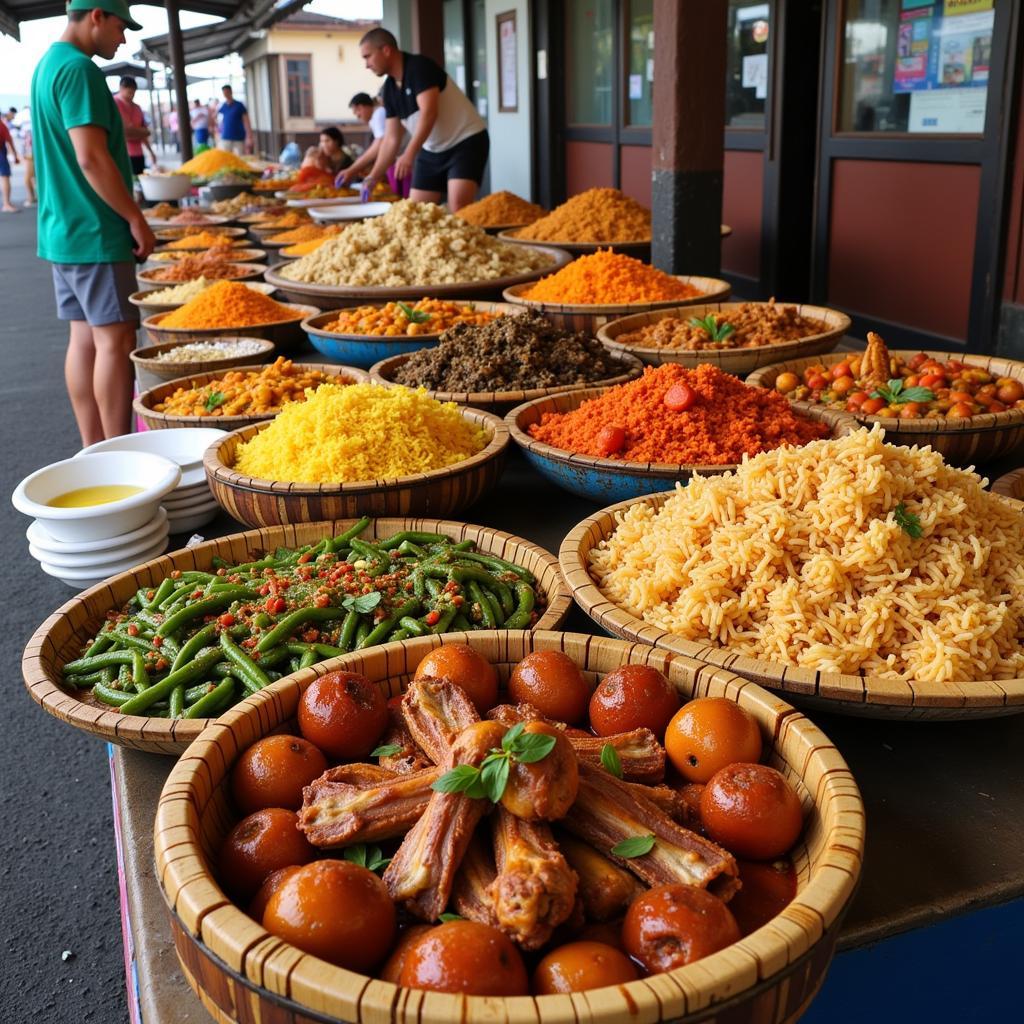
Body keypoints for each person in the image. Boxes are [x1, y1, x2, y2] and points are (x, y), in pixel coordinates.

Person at [31, 0, 156, 446]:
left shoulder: (48, 65)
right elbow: (90, 157)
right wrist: (135, 218)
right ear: (97, 15)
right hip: (95, 231)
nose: (124, 38)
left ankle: (94, 447)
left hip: (63, 231)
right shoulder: (81, 70)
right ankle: (118, 449)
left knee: (84, 339)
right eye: (122, 26)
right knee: (116, 341)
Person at [353, 27, 488, 211]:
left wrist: (409, 154)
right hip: (432, 149)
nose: (366, 64)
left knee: (458, 207)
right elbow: (391, 139)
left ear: (385, 50)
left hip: (465, 141)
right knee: (415, 212)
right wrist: (373, 177)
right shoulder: (389, 90)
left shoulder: (419, 67)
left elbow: (429, 112)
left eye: (367, 56)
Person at [113, 75, 155, 175]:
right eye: (129, 92)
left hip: (139, 153)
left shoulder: (137, 107)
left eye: (133, 93)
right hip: (122, 153)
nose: (131, 96)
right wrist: (140, 132)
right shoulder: (114, 103)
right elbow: (123, 131)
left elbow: (147, 132)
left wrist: (151, 152)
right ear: (121, 89)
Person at [217, 84, 251, 155]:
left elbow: (246, 121)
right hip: (226, 136)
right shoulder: (223, 106)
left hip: (239, 137)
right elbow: (218, 118)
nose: (226, 94)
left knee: (240, 157)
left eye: (227, 92)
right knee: (226, 158)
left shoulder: (239, 105)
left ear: (231, 92)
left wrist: (249, 136)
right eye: (224, 93)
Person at [0, 110, 19, 212]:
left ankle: (7, 203)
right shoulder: (2, 126)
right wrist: (15, 156)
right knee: (5, 177)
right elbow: (10, 142)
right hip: (1, 152)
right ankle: (6, 204)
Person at [19, 109, 36, 205]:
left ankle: (30, 198)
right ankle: (32, 197)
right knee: (32, 178)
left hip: (30, 154)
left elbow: (27, 144)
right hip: (32, 154)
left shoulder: (27, 127)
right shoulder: (32, 125)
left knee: (28, 178)